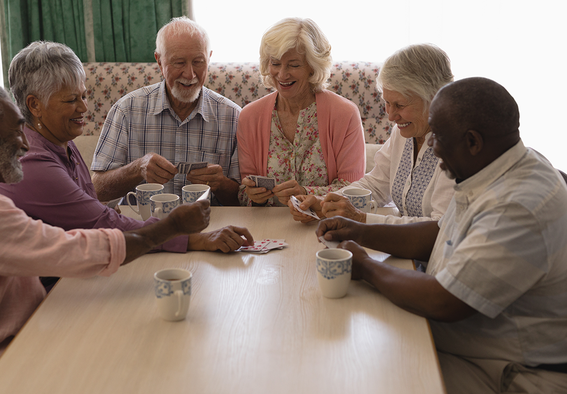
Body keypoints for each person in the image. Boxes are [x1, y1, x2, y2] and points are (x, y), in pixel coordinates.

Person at [0, 81, 213, 394]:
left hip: (12, 344)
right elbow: (76, 250)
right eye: (15, 131)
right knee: (149, 357)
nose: (24, 143)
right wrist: (172, 226)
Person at [317, 77, 567, 393]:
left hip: (511, 370)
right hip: (473, 347)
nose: (431, 147)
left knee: (371, 375)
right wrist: (360, 231)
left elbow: (445, 300)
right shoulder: (500, 165)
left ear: (472, 142)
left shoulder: (518, 205)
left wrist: (366, 267)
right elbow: (441, 232)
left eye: (438, 137)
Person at [0, 41, 252, 279]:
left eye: (83, 96)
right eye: (72, 100)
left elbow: (92, 208)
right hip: (47, 291)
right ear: (35, 105)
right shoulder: (33, 163)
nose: (85, 108)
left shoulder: (61, 141)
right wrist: (194, 238)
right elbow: (102, 224)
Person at [291, 44, 455, 224]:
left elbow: (440, 228)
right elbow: (375, 185)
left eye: (400, 105)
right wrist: (324, 202)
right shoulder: (403, 134)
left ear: (433, 97)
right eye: (387, 103)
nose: (391, 116)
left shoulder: (456, 146)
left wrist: (363, 219)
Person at [91, 17, 241, 206]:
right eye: (179, 62)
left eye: (198, 62)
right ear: (159, 62)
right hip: (143, 229)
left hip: (208, 228)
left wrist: (221, 184)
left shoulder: (233, 116)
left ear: (209, 58)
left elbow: (246, 201)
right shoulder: (126, 110)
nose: (190, 74)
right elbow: (97, 190)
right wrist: (137, 169)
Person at [237, 17, 365, 207]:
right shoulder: (249, 117)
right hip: (267, 227)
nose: (282, 74)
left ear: (313, 67)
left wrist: (306, 193)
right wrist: (252, 194)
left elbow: (353, 191)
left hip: (326, 224)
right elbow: (242, 193)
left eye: (294, 65)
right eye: (275, 63)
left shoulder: (344, 114)